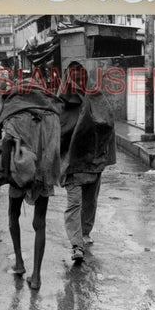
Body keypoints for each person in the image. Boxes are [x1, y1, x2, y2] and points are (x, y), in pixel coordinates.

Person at [0, 80, 62, 290]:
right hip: (44, 173)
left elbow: (7, 143)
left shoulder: (15, 113)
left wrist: (3, 173)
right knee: (40, 223)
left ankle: (19, 263)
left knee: (13, 215)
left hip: (20, 172)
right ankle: (36, 276)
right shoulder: (51, 114)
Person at [59, 61, 116, 262]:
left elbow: (108, 125)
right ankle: (77, 244)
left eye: (79, 77)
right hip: (72, 164)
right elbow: (56, 134)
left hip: (92, 162)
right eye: (73, 77)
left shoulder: (95, 99)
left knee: (89, 202)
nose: (76, 81)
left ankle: (84, 233)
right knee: (75, 203)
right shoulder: (61, 105)